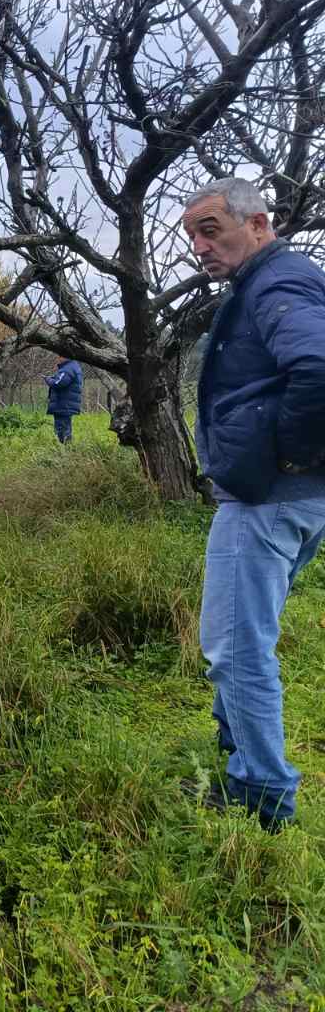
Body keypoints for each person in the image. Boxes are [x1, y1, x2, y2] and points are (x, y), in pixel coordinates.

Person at [186, 176, 325, 833]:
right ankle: (239, 758)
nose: (199, 247)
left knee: (236, 649)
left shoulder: (277, 281)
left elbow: (318, 368)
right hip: (284, 496)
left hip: (268, 499)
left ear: (259, 224)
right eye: (191, 235)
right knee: (240, 638)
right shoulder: (266, 284)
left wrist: (289, 455)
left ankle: (261, 801)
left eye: (210, 230)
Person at [45, 357, 83, 443]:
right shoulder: (73, 366)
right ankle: (66, 448)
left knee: (62, 429)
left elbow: (58, 383)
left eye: (59, 356)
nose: (58, 358)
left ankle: (64, 449)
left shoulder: (68, 369)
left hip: (63, 404)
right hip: (66, 404)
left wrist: (48, 380)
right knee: (65, 428)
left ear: (65, 356)